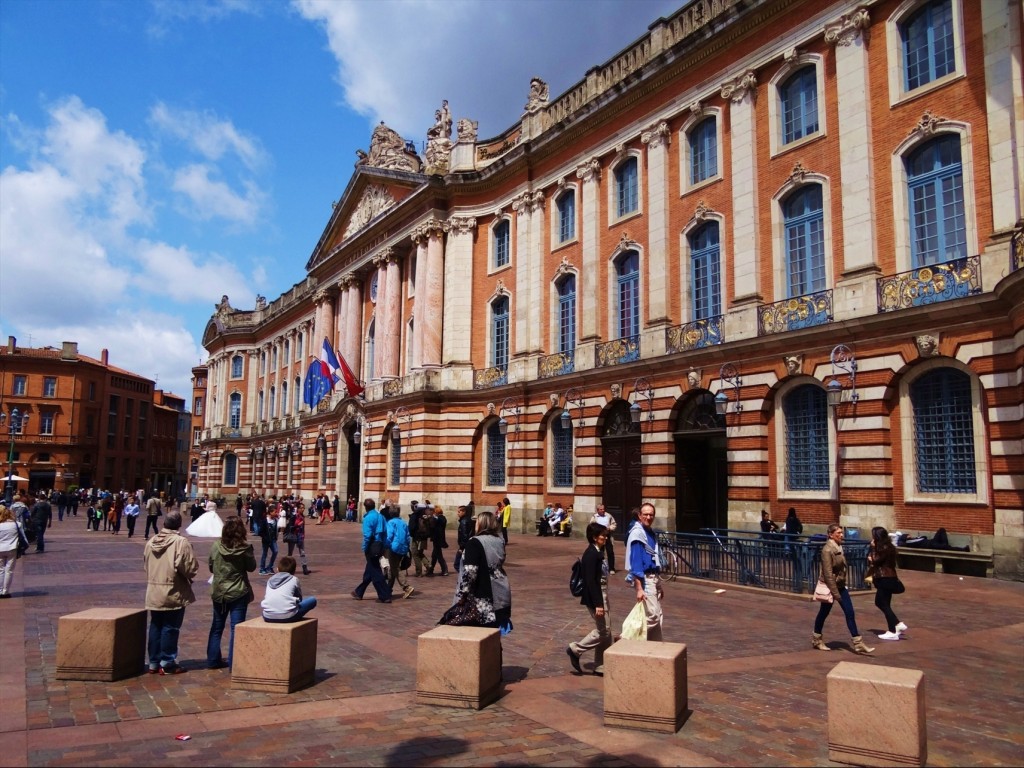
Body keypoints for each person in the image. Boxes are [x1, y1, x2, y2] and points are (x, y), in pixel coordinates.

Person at [143, 510, 199, 674]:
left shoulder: (151, 541)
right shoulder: (181, 542)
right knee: (170, 627)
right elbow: (190, 569)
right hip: (173, 590)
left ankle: (153, 662)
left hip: (154, 590)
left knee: (155, 625)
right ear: (179, 524)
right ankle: (167, 662)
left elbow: (146, 566)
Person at [812, 524, 874, 654]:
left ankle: (858, 643)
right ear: (830, 534)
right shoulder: (827, 550)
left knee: (850, 613)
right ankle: (817, 640)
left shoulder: (838, 546)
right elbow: (828, 574)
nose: (842, 535)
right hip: (831, 587)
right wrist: (836, 594)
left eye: (841, 532)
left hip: (840, 585)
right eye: (838, 533)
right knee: (823, 613)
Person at [206, 515, 256, 669]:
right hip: (238, 591)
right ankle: (234, 663)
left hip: (219, 591)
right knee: (236, 627)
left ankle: (213, 660)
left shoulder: (216, 546)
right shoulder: (245, 548)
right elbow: (252, 567)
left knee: (217, 627)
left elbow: (210, 566)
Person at [450, 511, 511, 630]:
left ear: (482, 524)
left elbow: (470, 572)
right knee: (492, 636)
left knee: (478, 635)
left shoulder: (474, 542)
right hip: (500, 592)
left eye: (477, 521)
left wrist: (462, 595)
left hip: (481, 597)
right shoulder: (499, 541)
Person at [567, 522, 612, 675]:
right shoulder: (591, 554)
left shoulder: (599, 550)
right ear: (594, 537)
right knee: (604, 631)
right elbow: (591, 581)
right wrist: (598, 604)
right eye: (602, 536)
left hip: (603, 593)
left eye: (606, 535)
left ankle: (600, 665)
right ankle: (576, 649)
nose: (605, 538)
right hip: (596, 596)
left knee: (607, 632)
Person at [627, 502, 664, 641]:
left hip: (653, 577)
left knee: (657, 615)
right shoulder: (637, 533)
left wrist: (659, 584)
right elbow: (636, 562)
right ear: (639, 516)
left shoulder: (650, 532)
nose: (648, 517)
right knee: (652, 615)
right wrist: (638, 587)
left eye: (651, 514)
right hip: (645, 579)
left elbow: (654, 558)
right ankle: (628, 639)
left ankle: (655, 647)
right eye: (645, 514)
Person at [868, 526, 908, 641]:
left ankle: (897, 624)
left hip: (884, 578)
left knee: (879, 602)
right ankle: (892, 631)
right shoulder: (889, 546)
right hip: (890, 577)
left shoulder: (883, 548)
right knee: (886, 604)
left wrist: (872, 549)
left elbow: (875, 560)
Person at [351, 498, 392, 602]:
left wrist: (365, 547)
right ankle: (359, 592)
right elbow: (385, 532)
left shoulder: (368, 518)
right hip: (380, 545)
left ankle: (385, 595)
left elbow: (367, 535)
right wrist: (384, 545)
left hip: (372, 546)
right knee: (370, 570)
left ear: (365, 507)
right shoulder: (381, 516)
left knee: (375, 572)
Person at [263, 556, 317, 622]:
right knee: (312, 600)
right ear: (294, 570)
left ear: (278, 569)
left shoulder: (270, 580)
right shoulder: (294, 579)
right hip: (288, 616)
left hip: (267, 616)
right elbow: (299, 599)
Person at [384, 507, 414, 599]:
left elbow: (389, 535)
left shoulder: (391, 523)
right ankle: (388, 589)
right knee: (393, 568)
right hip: (402, 547)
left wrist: (385, 545)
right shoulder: (403, 522)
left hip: (393, 547)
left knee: (394, 568)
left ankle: (406, 587)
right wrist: (406, 547)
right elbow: (408, 536)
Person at [0, 505, 27, 597]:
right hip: (12, 548)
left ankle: (0, 590)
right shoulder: (17, 524)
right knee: (9, 570)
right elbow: (23, 537)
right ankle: (5, 591)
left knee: (1, 570)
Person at [283, 504, 311, 575]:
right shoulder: (294, 516)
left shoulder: (302, 517)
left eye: (303, 508)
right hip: (293, 536)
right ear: (298, 509)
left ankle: (305, 569)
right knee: (290, 553)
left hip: (300, 537)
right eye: (301, 508)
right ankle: (286, 568)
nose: (303, 509)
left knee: (302, 553)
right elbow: (290, 527)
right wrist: (298, 525)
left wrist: (303, 535)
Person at [591, 504, 618, 573]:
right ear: (597, 510)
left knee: (610, 552)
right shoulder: (594, 517)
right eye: (601, 509)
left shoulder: (608, 516)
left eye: (603, 509)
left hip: (607, 536)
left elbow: (614, 524)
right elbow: (591, 526)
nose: (603, 510)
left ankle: (611, 568)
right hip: (599, 537)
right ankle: (600, 567)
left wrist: (610, 528)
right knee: (600, 552)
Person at [409, 503, 431, 577]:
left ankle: (419, 572)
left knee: (415, 554)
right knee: (420, 553)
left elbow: (411, 528)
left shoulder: (414, 516)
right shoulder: (425, 516)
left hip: (417, 538)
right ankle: (428, 566)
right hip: (424, 537)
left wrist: (411, 534)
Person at [427, 505, 450, 577]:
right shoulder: (439, 518)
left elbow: (437, 523)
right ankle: (430, 570)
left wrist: (433, 517)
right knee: (434, 555)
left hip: (438, 539)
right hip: (436, 539)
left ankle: (445, 570)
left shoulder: (441, 518)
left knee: (439, 555)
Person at [259, 505, 280, 575]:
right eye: (274, 512)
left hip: (273, 540)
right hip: (266, 540)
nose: (276, 513)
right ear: (270, 512)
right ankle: (262, 569)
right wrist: (265, 537)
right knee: (264, 554)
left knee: (275, 551)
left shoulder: (275, 520)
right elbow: (260, 531)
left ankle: (270, 567)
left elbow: (276, 530)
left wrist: (276, 536)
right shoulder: (265, 520)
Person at [454, 505, 474, 572]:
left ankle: (464, 576)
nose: (458, 513)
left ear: (464, 512)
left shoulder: (464, 521)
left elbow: (465, 535)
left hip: (464, 546)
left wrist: (461, 547)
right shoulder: (468, 520)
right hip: (469, 545)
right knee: (465, 563)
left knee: (457, 564)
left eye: (459, 512)